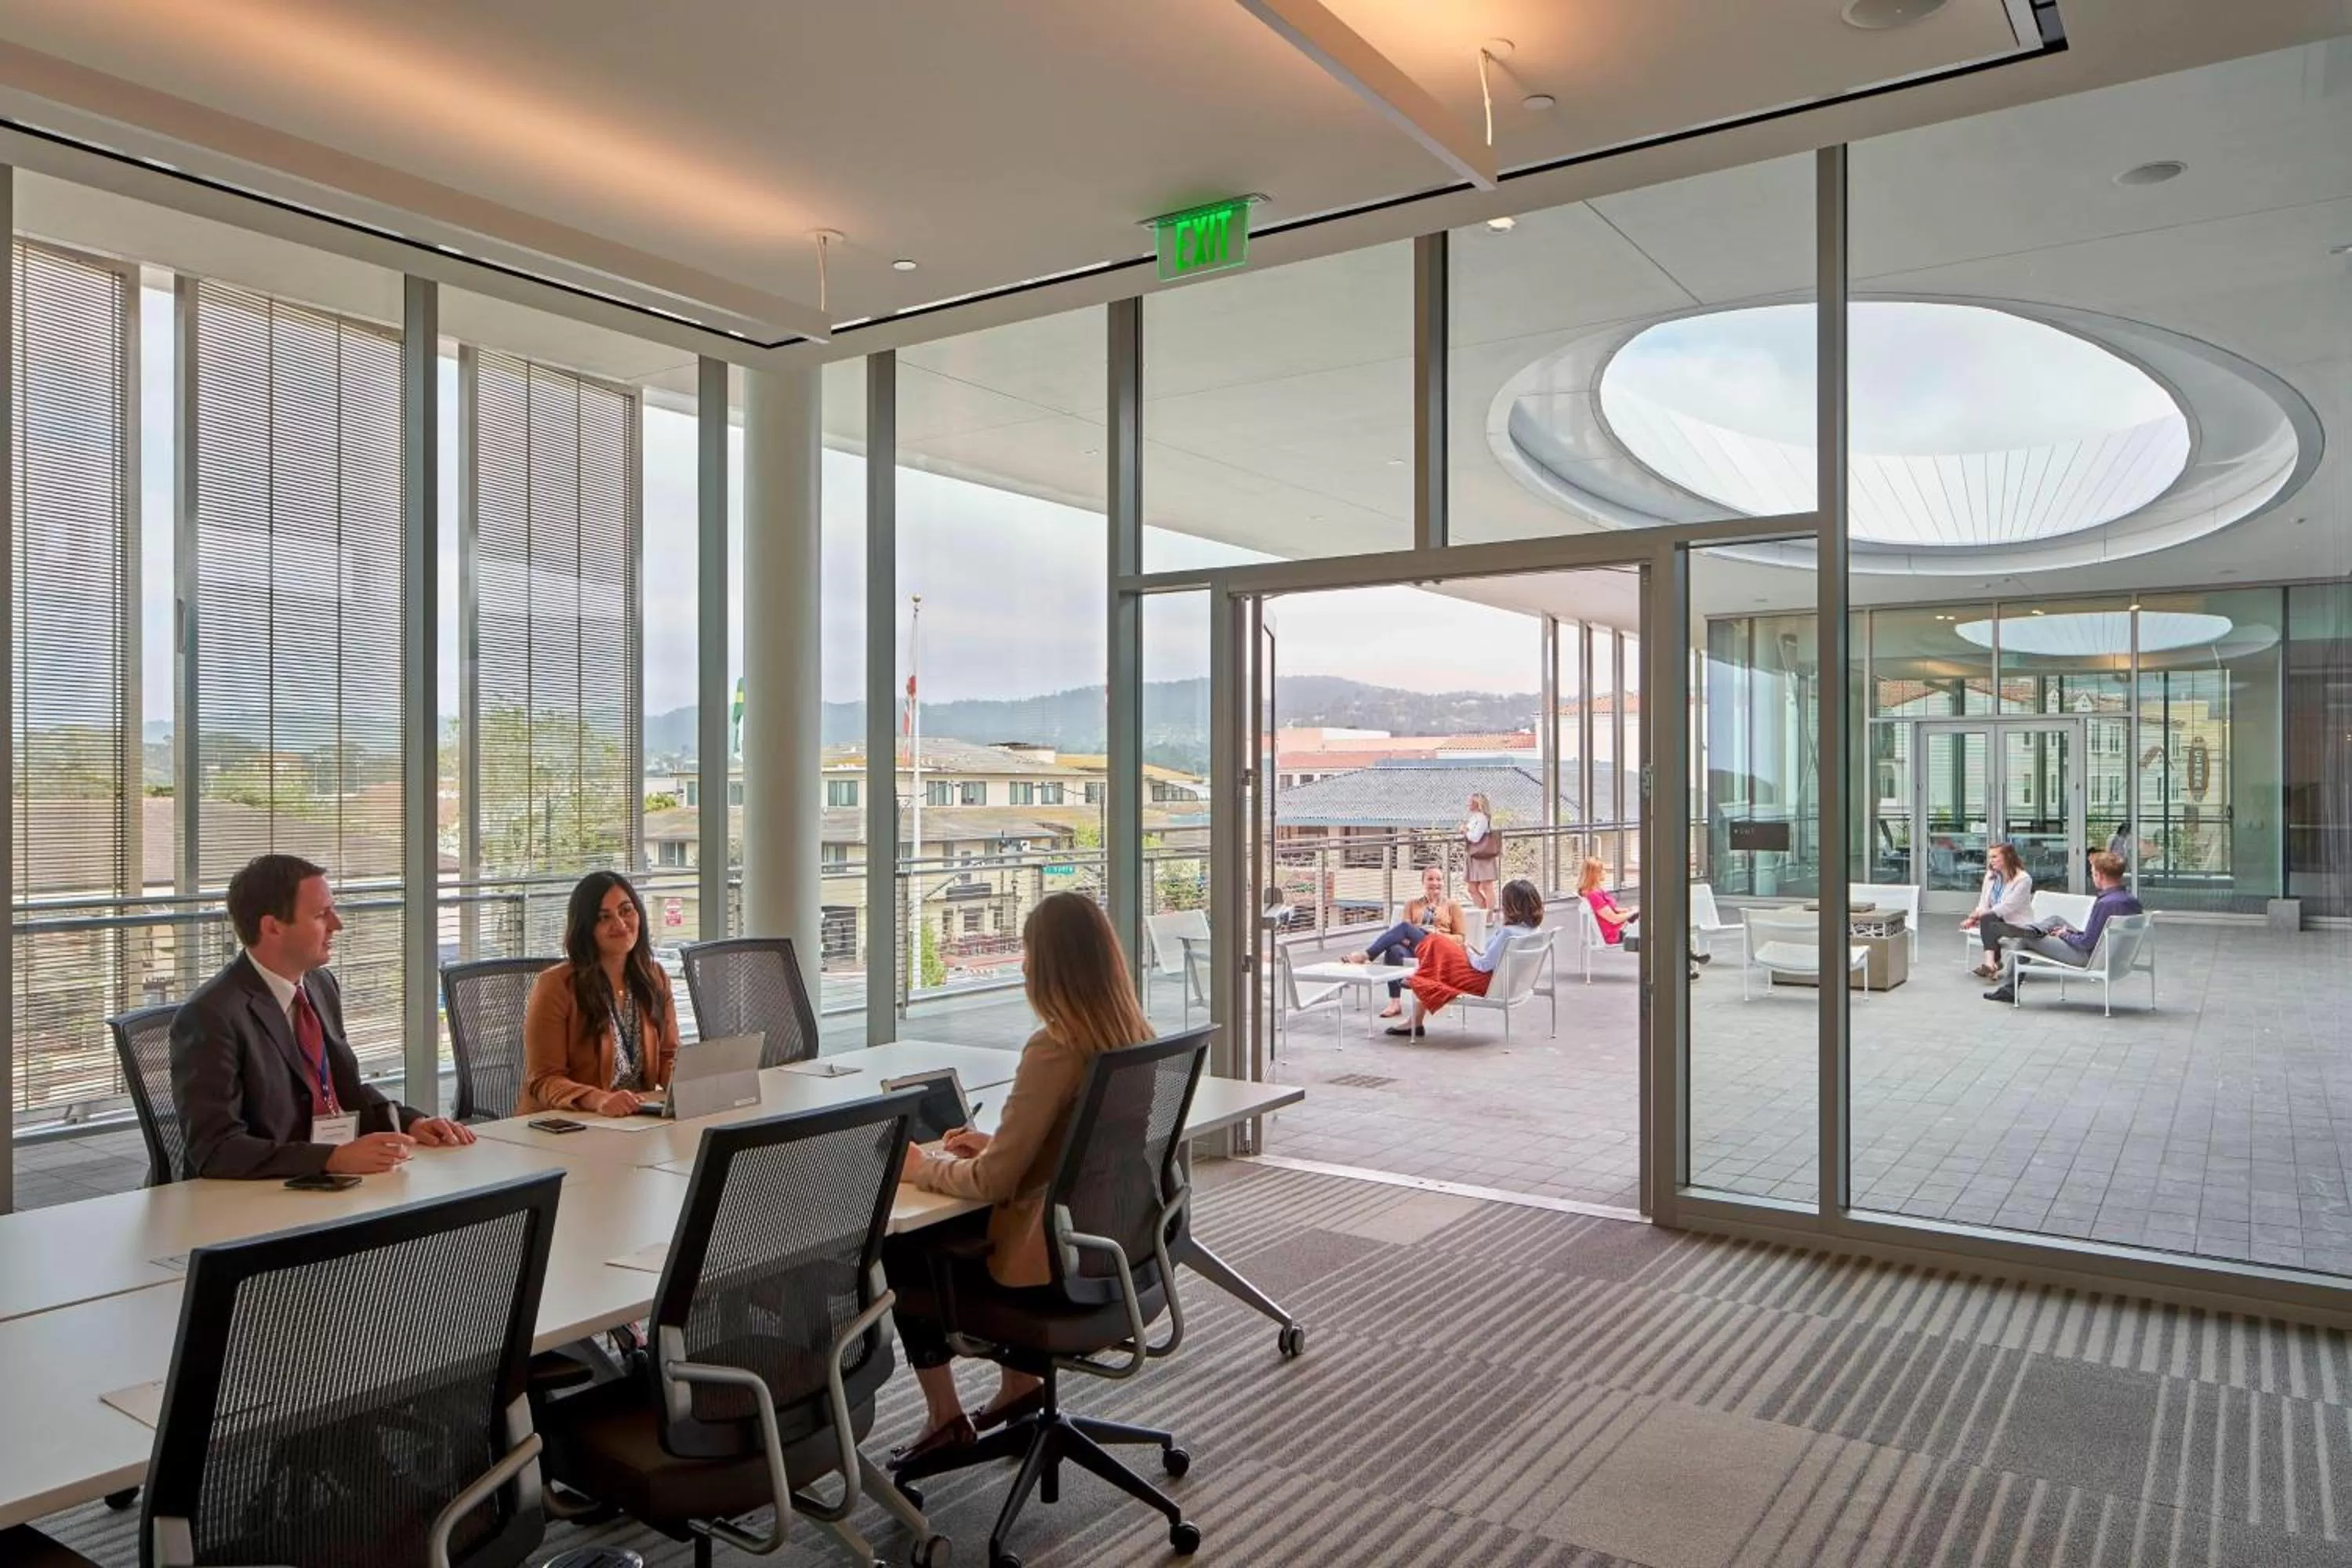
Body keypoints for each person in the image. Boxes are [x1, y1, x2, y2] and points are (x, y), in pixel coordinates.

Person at [884, 892, 1156, 1468]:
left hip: (1055, 1268)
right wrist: (998, 1144)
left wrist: (922, 1168)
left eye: (1030, 954)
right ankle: (1019, 1387)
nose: (1025, 966)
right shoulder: (1135, 1034)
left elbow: (991, 1184)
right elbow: (1083, 1151)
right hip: (1118, 1248)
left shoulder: (1055, 1047)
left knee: (903, 1244)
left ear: (1052, 966)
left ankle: (945, 1416)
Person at [171, 853, 474, 1180]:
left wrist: (410, 1121)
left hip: (326, 1182)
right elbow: (216, 1149)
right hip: (258, 1194)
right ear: (272, 927)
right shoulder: (210, 1015)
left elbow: (341, 1088)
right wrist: (332, 1159)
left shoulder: (320, 984)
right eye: (321, 915)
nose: (337, 925)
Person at [519, 871, 682, 1116]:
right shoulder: (555, 985)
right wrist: (599, 1100)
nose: (620, 924)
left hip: (636, 1119)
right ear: (586, 928)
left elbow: (668, 1056)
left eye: (626, 910)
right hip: (570, 1122)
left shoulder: (655, 977)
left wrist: (695, 1085)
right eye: (604, 917)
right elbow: (544, 1079)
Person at [1388, 877, 1544, 1038]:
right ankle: (1417, 999)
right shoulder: (1534, 931)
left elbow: (1483, 965)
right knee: (1440, 947)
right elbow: (1489, 957)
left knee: (1436, 942)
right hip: (1504, 982)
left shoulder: (1508, 933)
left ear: (1512, 906)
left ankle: (1418, 983)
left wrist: (1469, 953)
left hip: (1486, 982)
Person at [1984, 850, 2142, 1003]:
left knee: (2024, 939)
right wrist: (2068, 932)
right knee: (2056, 920)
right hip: (2108, 954)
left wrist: (2064, 935)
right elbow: (2097, 935)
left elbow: (2086, 943)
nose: (2092, 876)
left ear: (2099, 875)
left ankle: (2009, 989)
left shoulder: (2106, 904)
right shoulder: (2131, 901)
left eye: (2093, 873)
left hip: (2088, 957)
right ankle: (2034, 930)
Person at [1341, 864, 1465, 1018]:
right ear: (1423, 882)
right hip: (1417, 947)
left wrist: (1437, 934)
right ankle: (1395, 1003)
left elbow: (1460, 938)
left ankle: (1366, 955)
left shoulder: (1452, 905)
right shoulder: (1412, 904)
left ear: (1444, 883)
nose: (1435, 883)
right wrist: (1415, 933)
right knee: (1393, 950)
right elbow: (1404, 934)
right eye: (1430, 879)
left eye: (1439, 879)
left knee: (1406, 928)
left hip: (1439, 947)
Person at [1961, 841, 2036, 981]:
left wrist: (1977, 916)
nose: (1991, 860)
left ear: (2008, 857)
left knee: (1988, 919)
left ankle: (1994, 964)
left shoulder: (2023, 879)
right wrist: (1975, 917)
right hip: (1998, 921)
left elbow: (2007, 907)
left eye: (1995, 857)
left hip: (2018, 926)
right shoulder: (1991, 875)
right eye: (1990, 857)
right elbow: (1984, 902)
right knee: (1988, 920)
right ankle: (1991, 964)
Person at [1462, 793, 1501, 913]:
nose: (1468, 804)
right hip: (1474, 855)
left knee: (1487, 886)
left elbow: (1475, 838)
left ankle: (1489, 915)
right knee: (1472, 888)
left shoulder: (1482, 818)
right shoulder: (1474, 818)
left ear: (1477, 804)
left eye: (1471, 802)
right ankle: (1484, 912)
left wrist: (1465, 831)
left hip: (1483, 856)